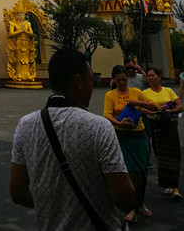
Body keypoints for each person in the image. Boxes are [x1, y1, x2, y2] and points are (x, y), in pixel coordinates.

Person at [10, 48, 134, 230]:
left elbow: (18, 193)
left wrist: (51, 206)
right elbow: (125, 199)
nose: (93, 87)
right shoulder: (99, 126)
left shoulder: (25, 125)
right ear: (78, 82)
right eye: (91, 80)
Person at [103, 64, 158, 223]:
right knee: (128, 173)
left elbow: (154, 106)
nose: (122, 83)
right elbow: (107, 115)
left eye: (124, 79)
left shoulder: (136, 93)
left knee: (141, 171)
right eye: (119, 80)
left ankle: (140, 203)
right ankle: (133, 207)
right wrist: (119, 124)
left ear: (127, 78)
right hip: (121, 136)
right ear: (114, 80)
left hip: (138, 136)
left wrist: (136, 103)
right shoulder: (110, 95)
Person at [141, 67, 182, 200]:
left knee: (173, 154)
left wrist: (170, 111)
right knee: (160, 154)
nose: (151, 78)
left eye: (153, 75)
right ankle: (167, 185)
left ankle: (175, 188)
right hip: (155, 125)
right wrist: (153, 112)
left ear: (159, 76)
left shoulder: (168, 91)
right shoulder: (145, 93)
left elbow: (179, 105)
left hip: (169, 125)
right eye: (148, 76)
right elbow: (141, 108)